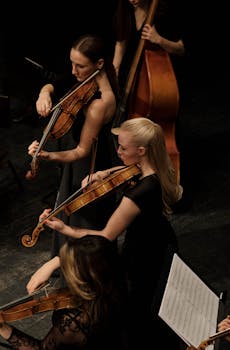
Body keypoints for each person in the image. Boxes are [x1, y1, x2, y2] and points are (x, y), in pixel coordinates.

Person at [36, 117, 183, 349]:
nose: (118, 151)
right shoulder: (150, 169)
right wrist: (102, 173)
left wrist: (65, 229)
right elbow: (127, 169)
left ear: (142, 150)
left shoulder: (140, 194)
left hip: (146, 253)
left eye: (123, 148)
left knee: (139, 307)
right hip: (159, 239)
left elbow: (103, 238)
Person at [27, 34, 119, 260]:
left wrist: (47, 155)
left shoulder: (100, 103)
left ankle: (84, 271)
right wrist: (44, 93)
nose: (73, 71)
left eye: (80, 66)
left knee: (82, 219)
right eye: (72, 63)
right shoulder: (87, 80)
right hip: (76, 159)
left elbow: (81, 151)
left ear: (99, 64)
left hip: (89, 164)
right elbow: (56, 81)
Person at [0, 235, 128, 349]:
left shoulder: (74, 323)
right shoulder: (115, 284)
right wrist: (51, 264)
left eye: (66, 267)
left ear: (81, 278)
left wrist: (3, 328)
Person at [112, 0, 185, 93]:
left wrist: (159, 40)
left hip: (158, 80)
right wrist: (115, 70)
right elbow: (120, 43)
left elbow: (181, 49)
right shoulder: (126, 10)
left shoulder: (163, 13)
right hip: (130, 76)